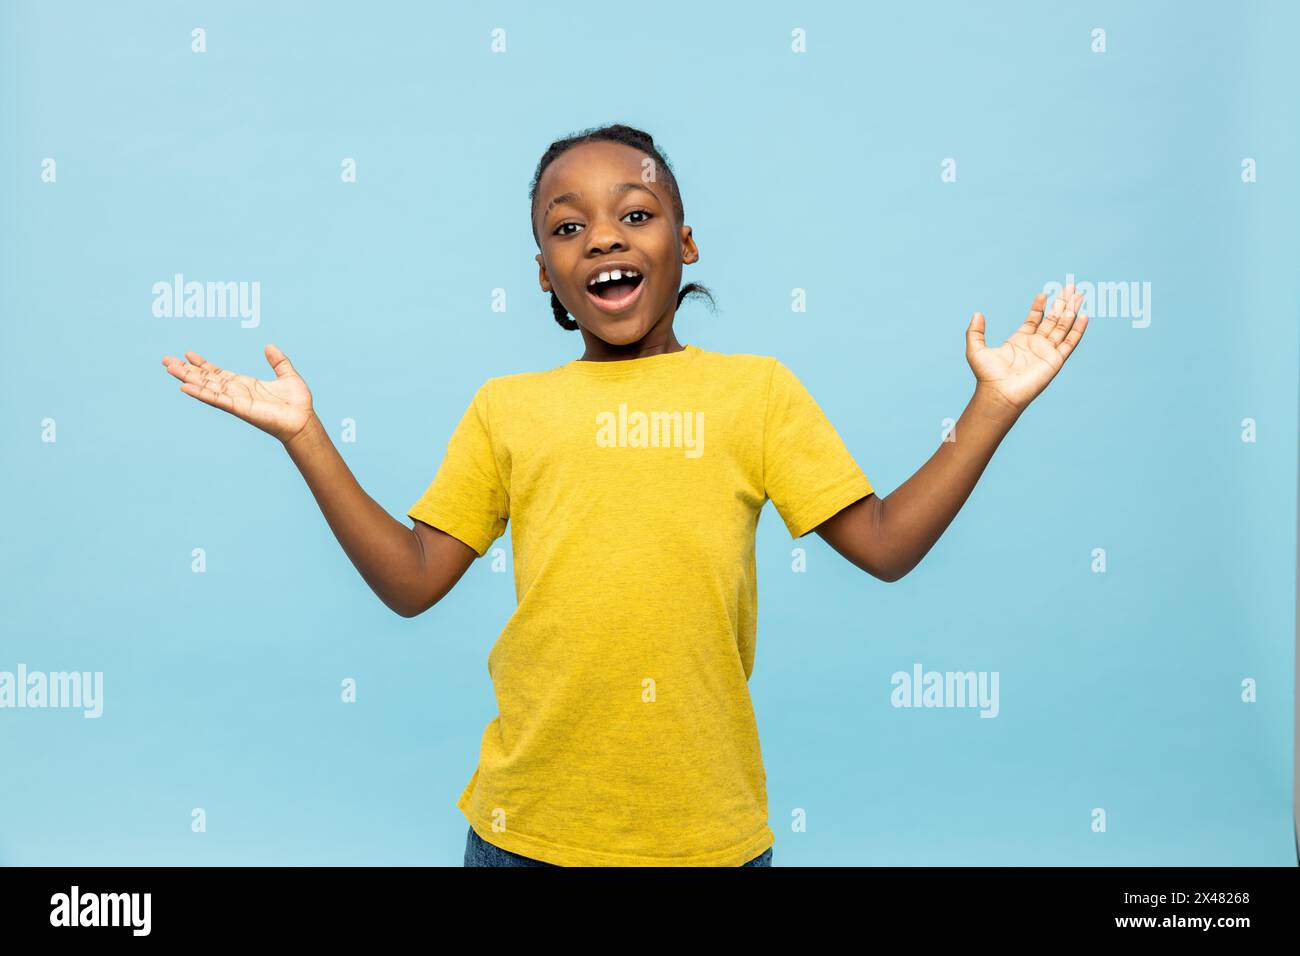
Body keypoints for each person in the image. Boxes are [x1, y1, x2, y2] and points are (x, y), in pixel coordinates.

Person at [160, 123, 1087, 867]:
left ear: (682, 243)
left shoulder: (755, 394)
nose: (601, 235)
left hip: (707, 839)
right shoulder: (508, 409)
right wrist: (305, 436)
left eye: (633, 214)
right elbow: (411, 581)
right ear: (545, 275)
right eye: (566, 227)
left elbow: (886, 544)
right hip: (527, 833)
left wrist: (993, 404)